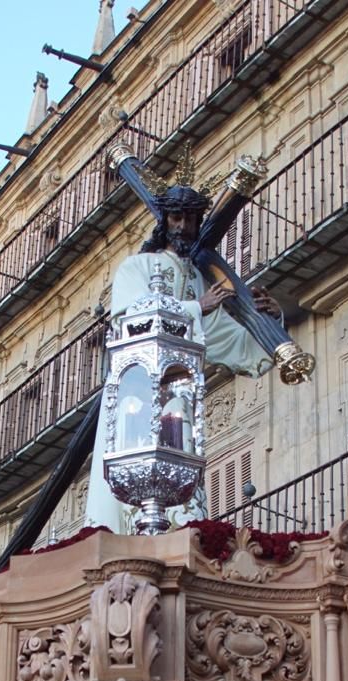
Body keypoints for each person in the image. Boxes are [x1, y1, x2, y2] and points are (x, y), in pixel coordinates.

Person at [83, 184, 282, 532]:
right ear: (164, 221)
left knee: (182, 494)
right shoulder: (137, 267)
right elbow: (131, 317)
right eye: (176, 217)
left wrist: (270, 325)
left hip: (178, 401)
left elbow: (224, 337)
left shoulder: (199, 281)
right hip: (136, 400)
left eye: (191, 219)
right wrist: (194, 308)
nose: (183, 228)